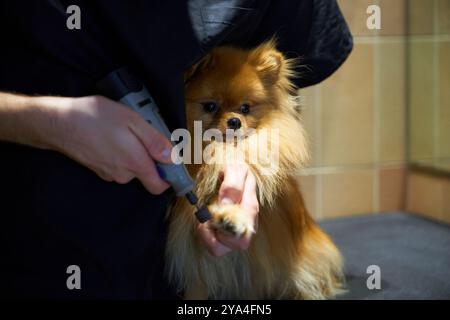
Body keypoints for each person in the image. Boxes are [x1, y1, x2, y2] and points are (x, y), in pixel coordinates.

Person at [0, 0, 352, 299]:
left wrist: (252, 162)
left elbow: (276, 88)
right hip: (46, 252)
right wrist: (47, 123)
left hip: (205, 284)